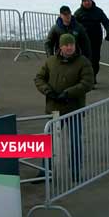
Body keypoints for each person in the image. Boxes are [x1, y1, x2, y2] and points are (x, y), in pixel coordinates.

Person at [34, 33, 94, 182]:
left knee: (75, 141)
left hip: (74, 109)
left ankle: (75, 172)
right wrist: (47, 90)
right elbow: (39, 78)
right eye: (66, 45)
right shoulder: (51, 61)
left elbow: (87, 82)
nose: (69, 48)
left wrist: (68, 93)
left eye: (71, 45)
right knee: (48, 141)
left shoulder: (83, 62)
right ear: (60, 47)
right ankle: (45, 171)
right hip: (54, 109)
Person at [74, 0, 109, 83]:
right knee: (84, 59)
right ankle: (85, 78)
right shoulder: (78, 13)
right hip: (83, 41)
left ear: (91, 1)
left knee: (95, 59)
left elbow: (106, 22)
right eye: (85, 1)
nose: (87, 3)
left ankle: (93, 76)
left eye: (88, 0)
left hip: (96, 39)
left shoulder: (98, 11)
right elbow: (74, 26)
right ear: (82, 2)